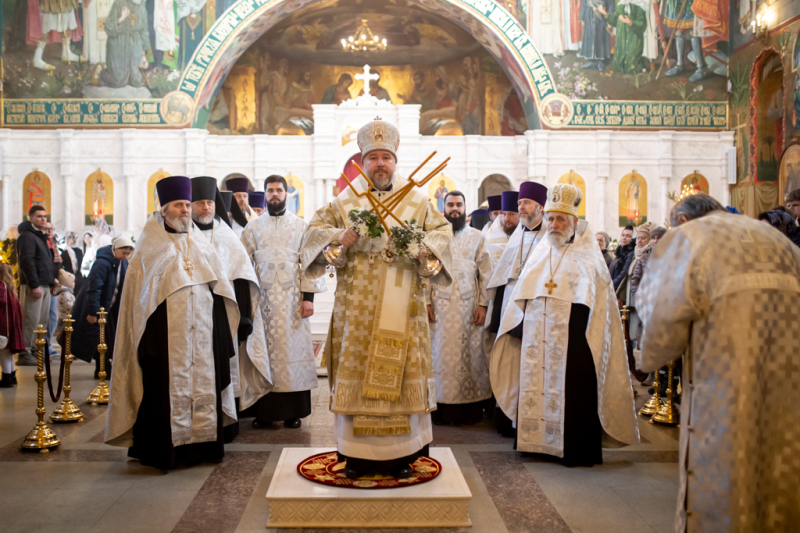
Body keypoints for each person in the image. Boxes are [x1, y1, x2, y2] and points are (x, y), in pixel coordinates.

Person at [637, 193, 800, 531]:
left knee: (726, 477)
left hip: (724, 384)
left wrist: (649, 356)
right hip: (790, 382)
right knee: (780, 472)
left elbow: (660, 324)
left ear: (682, 220)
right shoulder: (778, 239)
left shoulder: (691, 238)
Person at [300, 117, 452, 479]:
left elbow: (443, 234)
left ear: (395, 161)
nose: (380, 164)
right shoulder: (345, 201)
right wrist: (340, 236)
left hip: (406, 306)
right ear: (361, 161)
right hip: (358, 309)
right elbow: (311, 236)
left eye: (386, 157)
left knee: (402, 376)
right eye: (373, 158)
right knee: (358, 371)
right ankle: (355, 457)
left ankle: (404, 456)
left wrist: (421, 247)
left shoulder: (416, 200)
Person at [491, 183, 640, 466]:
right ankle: (535, 445)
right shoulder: (540, 252)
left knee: (573, 392)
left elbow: (599, 307)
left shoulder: (589, 257)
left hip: (575, 341)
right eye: (551, 219)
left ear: (574, 222)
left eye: (561, 219)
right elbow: (522, 293)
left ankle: (573, 448)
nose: (554, 225)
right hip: (536, 337)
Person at [105, 176, 240, 470]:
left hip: (203, 339)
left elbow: (220, 291)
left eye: (187, 205)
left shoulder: (203, 245)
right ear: (163, 209)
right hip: (164, 341)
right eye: (178, 205)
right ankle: (166, 451)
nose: (185, 211)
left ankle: (203, 448)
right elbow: (138, 304)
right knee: (162, 394)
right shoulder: (148, 248)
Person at [190, 177, 273, 441]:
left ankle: (222, 423)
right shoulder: (179, 235)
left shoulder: (226, 236)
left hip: (220, 316)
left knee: (221, 369)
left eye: (209, 202)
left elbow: (242, 277)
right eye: (199, 203)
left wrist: (245, 316)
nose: (205, 207)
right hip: (186, 318)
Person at [241, 175, 325, 430]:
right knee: (264, 352)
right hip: (262, 301)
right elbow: (242, 265)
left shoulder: (301, 226)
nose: (274, 194)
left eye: (279, 190)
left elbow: (311, 263)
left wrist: (308, 299)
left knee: (292, 352)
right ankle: (264, 412)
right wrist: (246, 302)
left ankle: (293, 412)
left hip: (292, 302)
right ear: (264, 195)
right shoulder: (252, 228)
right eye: (270, 191)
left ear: (287, 194)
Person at [484, 183, 548, 435]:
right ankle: (508, 418)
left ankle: (530, 421)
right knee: (511, 364)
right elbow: (501, 279)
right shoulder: (518, 235)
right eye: (519, 203)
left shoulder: (548, 237)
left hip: (535, 311)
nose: (520, 207)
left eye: (525, 203)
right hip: (511, 310)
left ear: (540, 207)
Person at [427, 191, 493, 425]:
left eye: (459, 204)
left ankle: (469, 410)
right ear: (443, 208)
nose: (455, 209)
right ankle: (439, 408)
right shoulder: (433, 237)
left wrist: (484, 304)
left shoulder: (477, 237)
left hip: (468, 308)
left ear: (466, 207)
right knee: (438, 356)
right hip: (439, 307)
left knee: (470, 357)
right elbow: (424, 272)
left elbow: (486, 274)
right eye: (450, 205)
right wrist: (425, 301)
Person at [72, 236, 133, 379]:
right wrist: (93, 312)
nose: (125, 256)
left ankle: (106, 366)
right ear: (115, 249)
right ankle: (101, 368)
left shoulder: (122, 262)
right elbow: (94, 289)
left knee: (109, 338)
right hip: (98, 306)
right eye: (123, 253)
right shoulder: (102, 263)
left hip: (111, 306)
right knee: (98, 338)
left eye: (128, 254)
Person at [16, 206, 55, 366]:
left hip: (44, 284)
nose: (43, 219)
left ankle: (35, 350)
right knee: (31, 320)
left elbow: (45, 262)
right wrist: (34, 285)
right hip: (34, 285)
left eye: (45, 216)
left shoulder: (39, 236)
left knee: (42, 321)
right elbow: (27, 261)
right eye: (39, 216)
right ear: (30, 218)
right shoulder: (27, 236)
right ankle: (25, 354)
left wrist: (51, 282)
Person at [98, 0, 151, 89]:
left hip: (134, 42)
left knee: (136, 81)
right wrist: (122, 17)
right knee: (118, 82)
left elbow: (144, 32)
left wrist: (144, 56)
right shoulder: (118, 3)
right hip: (118, 43)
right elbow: (108, 27)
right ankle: (103, 73)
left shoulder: (142, 8)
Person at [614, 222, 652, 306]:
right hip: (630, 300)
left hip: (644, 301)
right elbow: (627, 278)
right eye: (638, 238)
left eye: (643, 238)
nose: (640, 241)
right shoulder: (635, 256)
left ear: (649, 240)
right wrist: (621, 297)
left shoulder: (651, 257)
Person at [0, 262, 25, 388]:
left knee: (3, 351)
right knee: (8, 352)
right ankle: (11, 375)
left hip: (4, 325)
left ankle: (6, 378)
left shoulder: (1, 286)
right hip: (12, 325)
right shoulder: (11, 288)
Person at [629, 226, 667, 306]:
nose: (655, 241)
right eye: (653, 238)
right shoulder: (643, 258)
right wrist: (639, 297)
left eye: (659, 238)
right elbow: (635, 280)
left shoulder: (671, 258)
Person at [579, 0, 614, 71]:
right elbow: (584, 3)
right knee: (590, 37)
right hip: (589, 15)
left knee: (600, 39)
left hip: (601, 15)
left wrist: (610, 19)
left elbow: (611, 5)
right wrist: (582, 16)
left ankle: (601, 62)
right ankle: (592, 62)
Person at [483, 195, 509, 266]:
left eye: (502, 213)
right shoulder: (483, 234)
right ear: (490, 216)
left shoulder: (513, 231)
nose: (499, 216)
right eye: (495, 213)